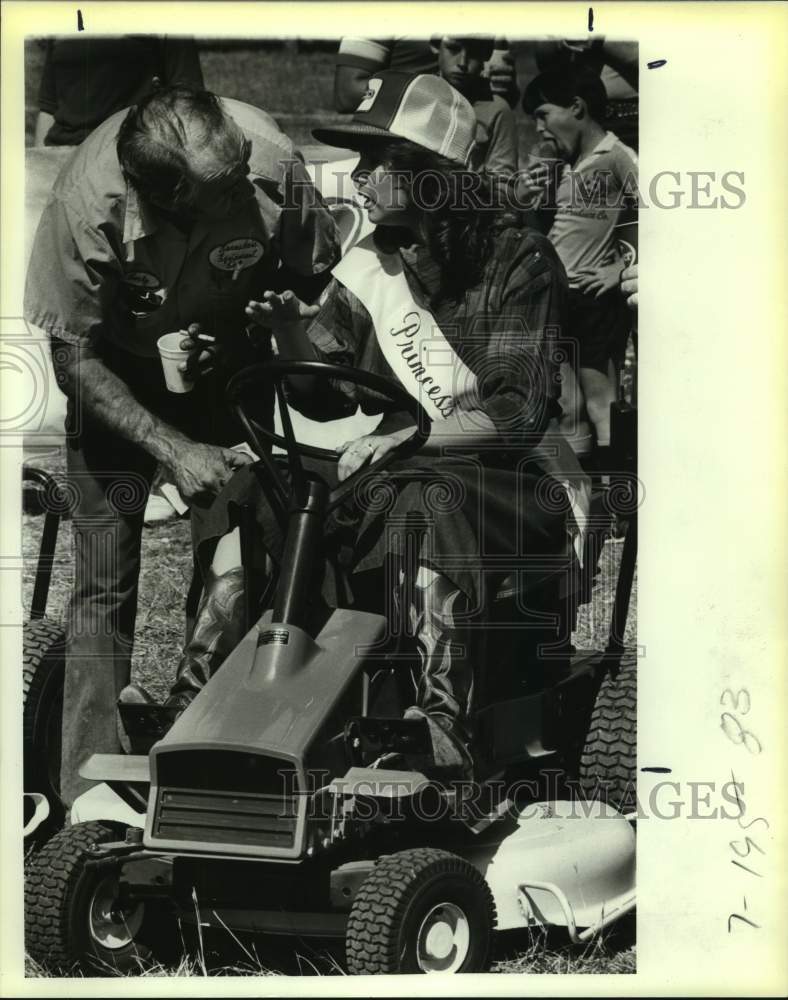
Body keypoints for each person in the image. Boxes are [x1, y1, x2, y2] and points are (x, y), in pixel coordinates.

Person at [125, 72, 588, 784]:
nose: (361, 177)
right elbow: (324, 384)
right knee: (252, 489)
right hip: (394, 470)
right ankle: (201, 704)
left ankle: (441, 732)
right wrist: (290, 336)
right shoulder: (373, 260)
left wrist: (410, 439)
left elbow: (519, 412)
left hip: (509, 487)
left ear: (433, 177)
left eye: (381, 162)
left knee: (421, 498)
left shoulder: (519, 263)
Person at [24, 85, 339, 807]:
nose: (239, 194)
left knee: (238, 561)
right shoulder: (86, 205)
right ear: (162, 194)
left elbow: (316, 278)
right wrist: (171, 446)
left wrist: (281, 341)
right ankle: (90, 790)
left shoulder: (266, 156)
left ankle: (216, 752)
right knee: (103, 576)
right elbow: (74, 357)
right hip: (117, 372)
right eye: (220, 191)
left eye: (239, 180)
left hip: (233, 363)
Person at [521, 65, 638, 472]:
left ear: (576, 107)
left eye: (543, 115)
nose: (539, 128)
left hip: (593, 298)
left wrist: (620, 272)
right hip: (557, 295)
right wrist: (533, 200)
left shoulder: (617, 158)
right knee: (564, 398)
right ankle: (578, 493)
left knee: (598, 394)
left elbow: (662, 219)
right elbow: (549, 231)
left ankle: (613, 491)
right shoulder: (567, 165)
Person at [34, 34, 204, 146]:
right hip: (58, 153)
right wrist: (38, 163)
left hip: (125, 157)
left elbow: (189, 105)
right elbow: (49, 108)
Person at [333, 36, 518, 115]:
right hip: (397, 138)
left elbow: (506, 94)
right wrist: (427, 95)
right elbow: (348, 93)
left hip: (474, 141)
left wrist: (503, 84)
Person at [434, 35, 518, 176]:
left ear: (486, 55)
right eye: (454, 49)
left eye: (474, 53)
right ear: (435, 46)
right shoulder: (415, 93)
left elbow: (503, 183)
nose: (462, 62)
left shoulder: (496, 109)